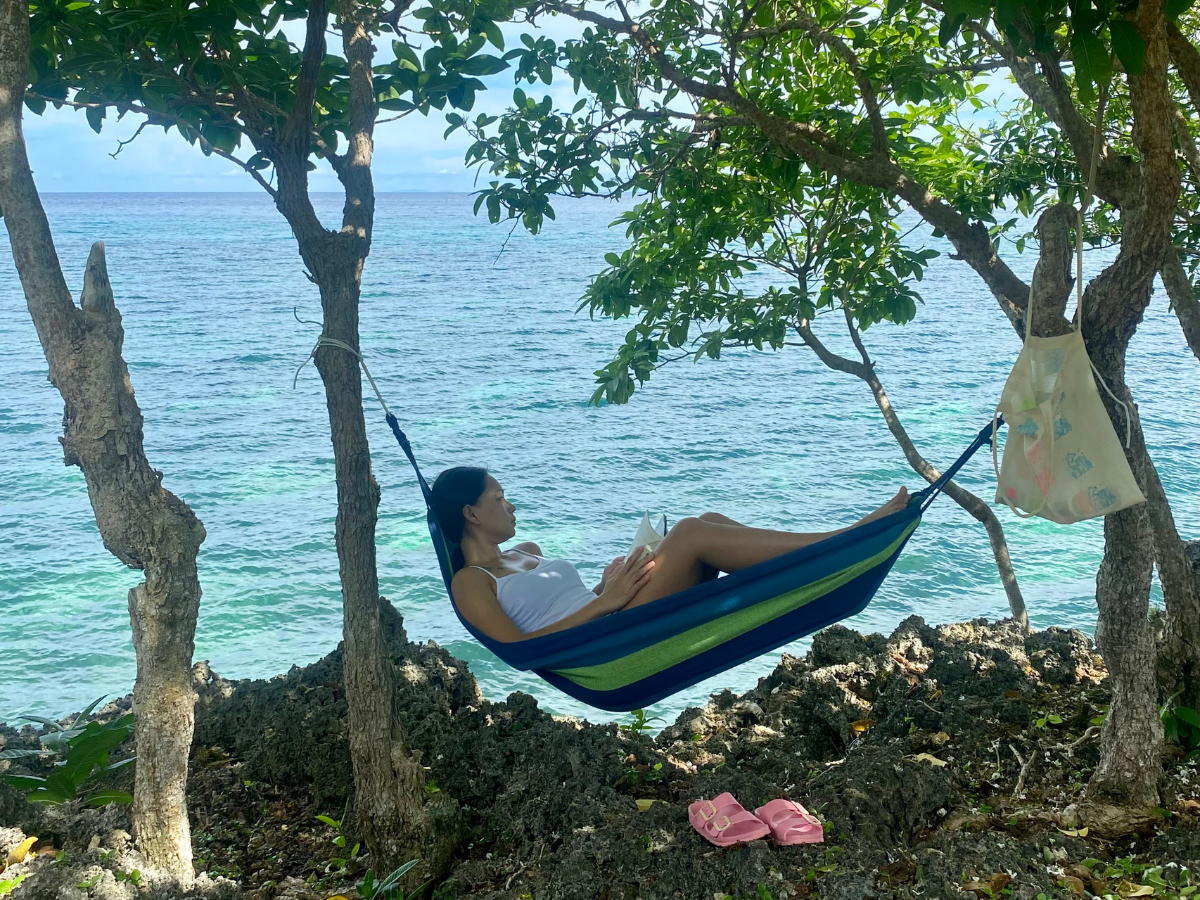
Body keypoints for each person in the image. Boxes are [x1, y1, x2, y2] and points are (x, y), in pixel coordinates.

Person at [432, 466, 909, 642]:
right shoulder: (472, 582)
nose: (510, 504)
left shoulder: (527, 552)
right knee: (687, 533)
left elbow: (566, 604)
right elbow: (521, 649)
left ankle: (830, 549)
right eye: (498, 498)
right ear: (471, 514)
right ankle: (843, 538)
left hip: (614, 610)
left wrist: (608, 581)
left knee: (709, 521)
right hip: (607, 636)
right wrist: (607, 600)